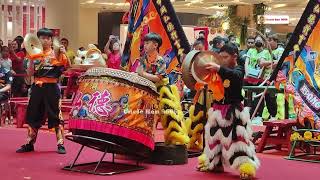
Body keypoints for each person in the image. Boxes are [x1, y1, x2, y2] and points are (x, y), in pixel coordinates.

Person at [197, 43, 260, 180]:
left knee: (239, 142)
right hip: (217, 111)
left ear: (234, 56)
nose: (222, 60)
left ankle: (246, 167)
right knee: (214, 140)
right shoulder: (218, 70)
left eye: (225, 57)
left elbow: (236, 77)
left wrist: (218, 68)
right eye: (220, 57)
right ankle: (214, 163)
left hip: (233, 112)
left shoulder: (238, 69)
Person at [16, 28, 68, 154]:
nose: (45, 40)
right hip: (37, 87)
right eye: (43, 38)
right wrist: (32, 60)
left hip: (52, 87)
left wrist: (64, 53)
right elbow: (29, 74)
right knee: (33, 115)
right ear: (38, 39)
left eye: (48, 38)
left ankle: (60, 144)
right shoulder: (32, 53)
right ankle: (29, 143)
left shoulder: (56, 52)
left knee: (56, 115)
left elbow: (66, 67)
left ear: (51, 40)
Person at [245, 35, 277, 123]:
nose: (257, 42)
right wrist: (247, 73)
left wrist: (269, 63)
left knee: (268, 97)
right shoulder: (251, 50)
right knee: (255, 98)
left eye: (259, 40)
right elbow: (247, 62)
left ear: (263, 42)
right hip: (251, 77)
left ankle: (272, 115)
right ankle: (257, 115)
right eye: (256, 41)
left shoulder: (266, 52)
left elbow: (262, 63)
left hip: (263, 78)